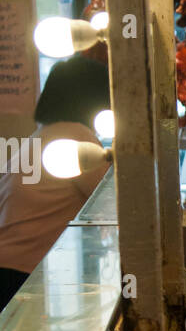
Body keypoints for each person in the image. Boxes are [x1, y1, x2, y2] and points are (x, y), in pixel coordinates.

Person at [0, 54, 111, 311]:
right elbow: (111, 203)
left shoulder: (40, 136)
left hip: (9, 266)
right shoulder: (76, 138)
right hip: (25, 273)